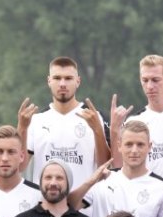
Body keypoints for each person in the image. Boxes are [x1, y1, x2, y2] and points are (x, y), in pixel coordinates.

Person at [22, 56, 110, 190]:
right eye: (57, 78)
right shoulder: (36, 120)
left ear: (78, 81)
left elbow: (105, 166)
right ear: (49, 81)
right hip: (45, 205)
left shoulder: (95, 117)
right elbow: (20, 166)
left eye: (68, 78)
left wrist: (97, 130)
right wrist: (21, 128)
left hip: (85, 206)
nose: (62, 84)